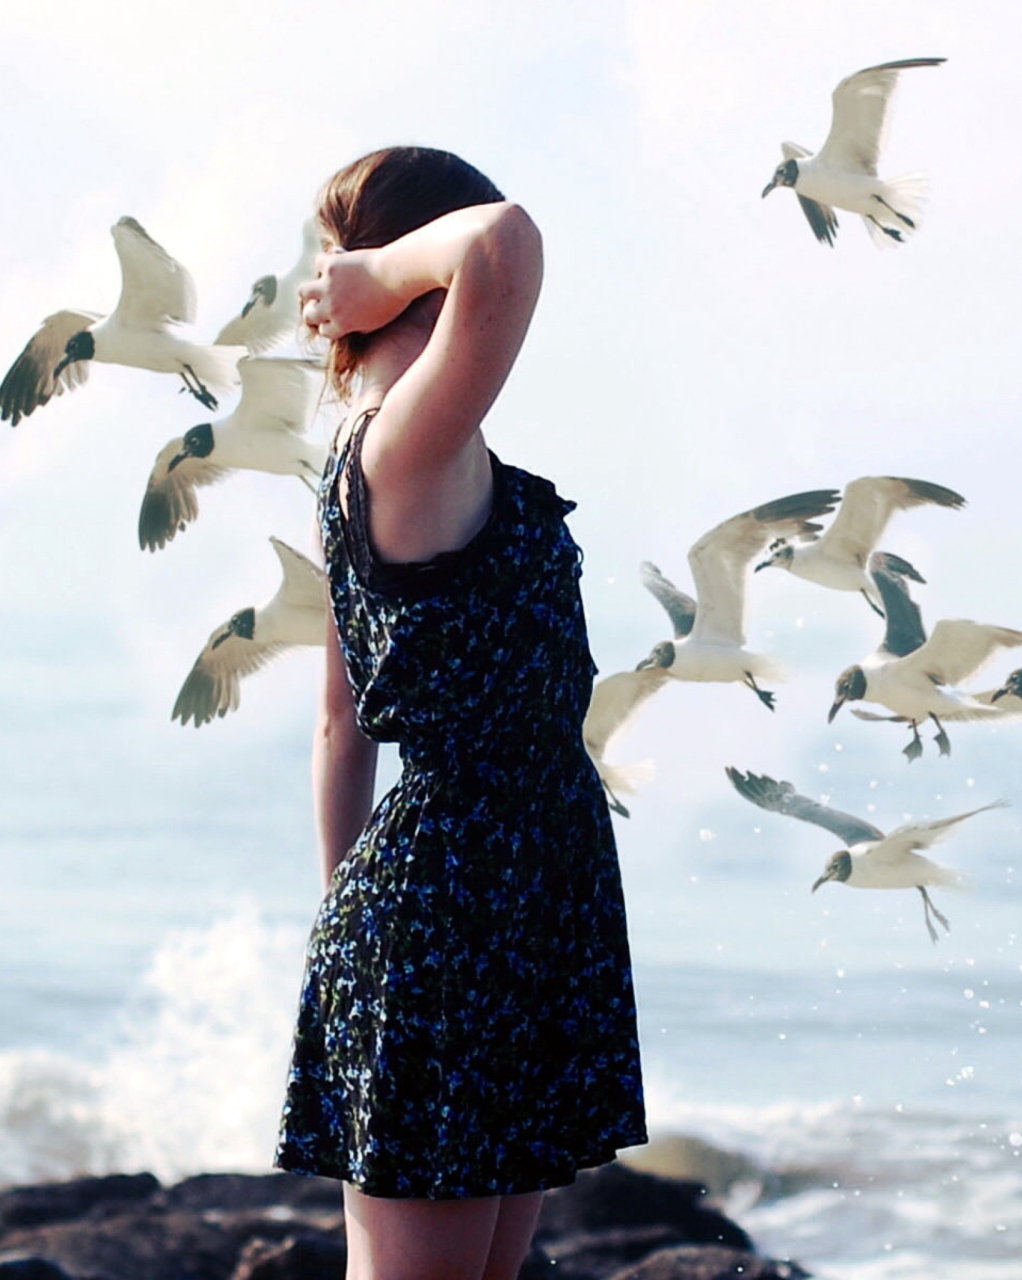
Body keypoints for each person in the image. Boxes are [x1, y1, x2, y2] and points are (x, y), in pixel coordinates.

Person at [276, 146, 647, 1280]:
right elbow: (506, 243)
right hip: (460, 898)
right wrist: (384, 268)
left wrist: (347, 922)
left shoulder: (421, 449)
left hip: (510, 896)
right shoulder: (406, 442)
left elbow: (343, 718)